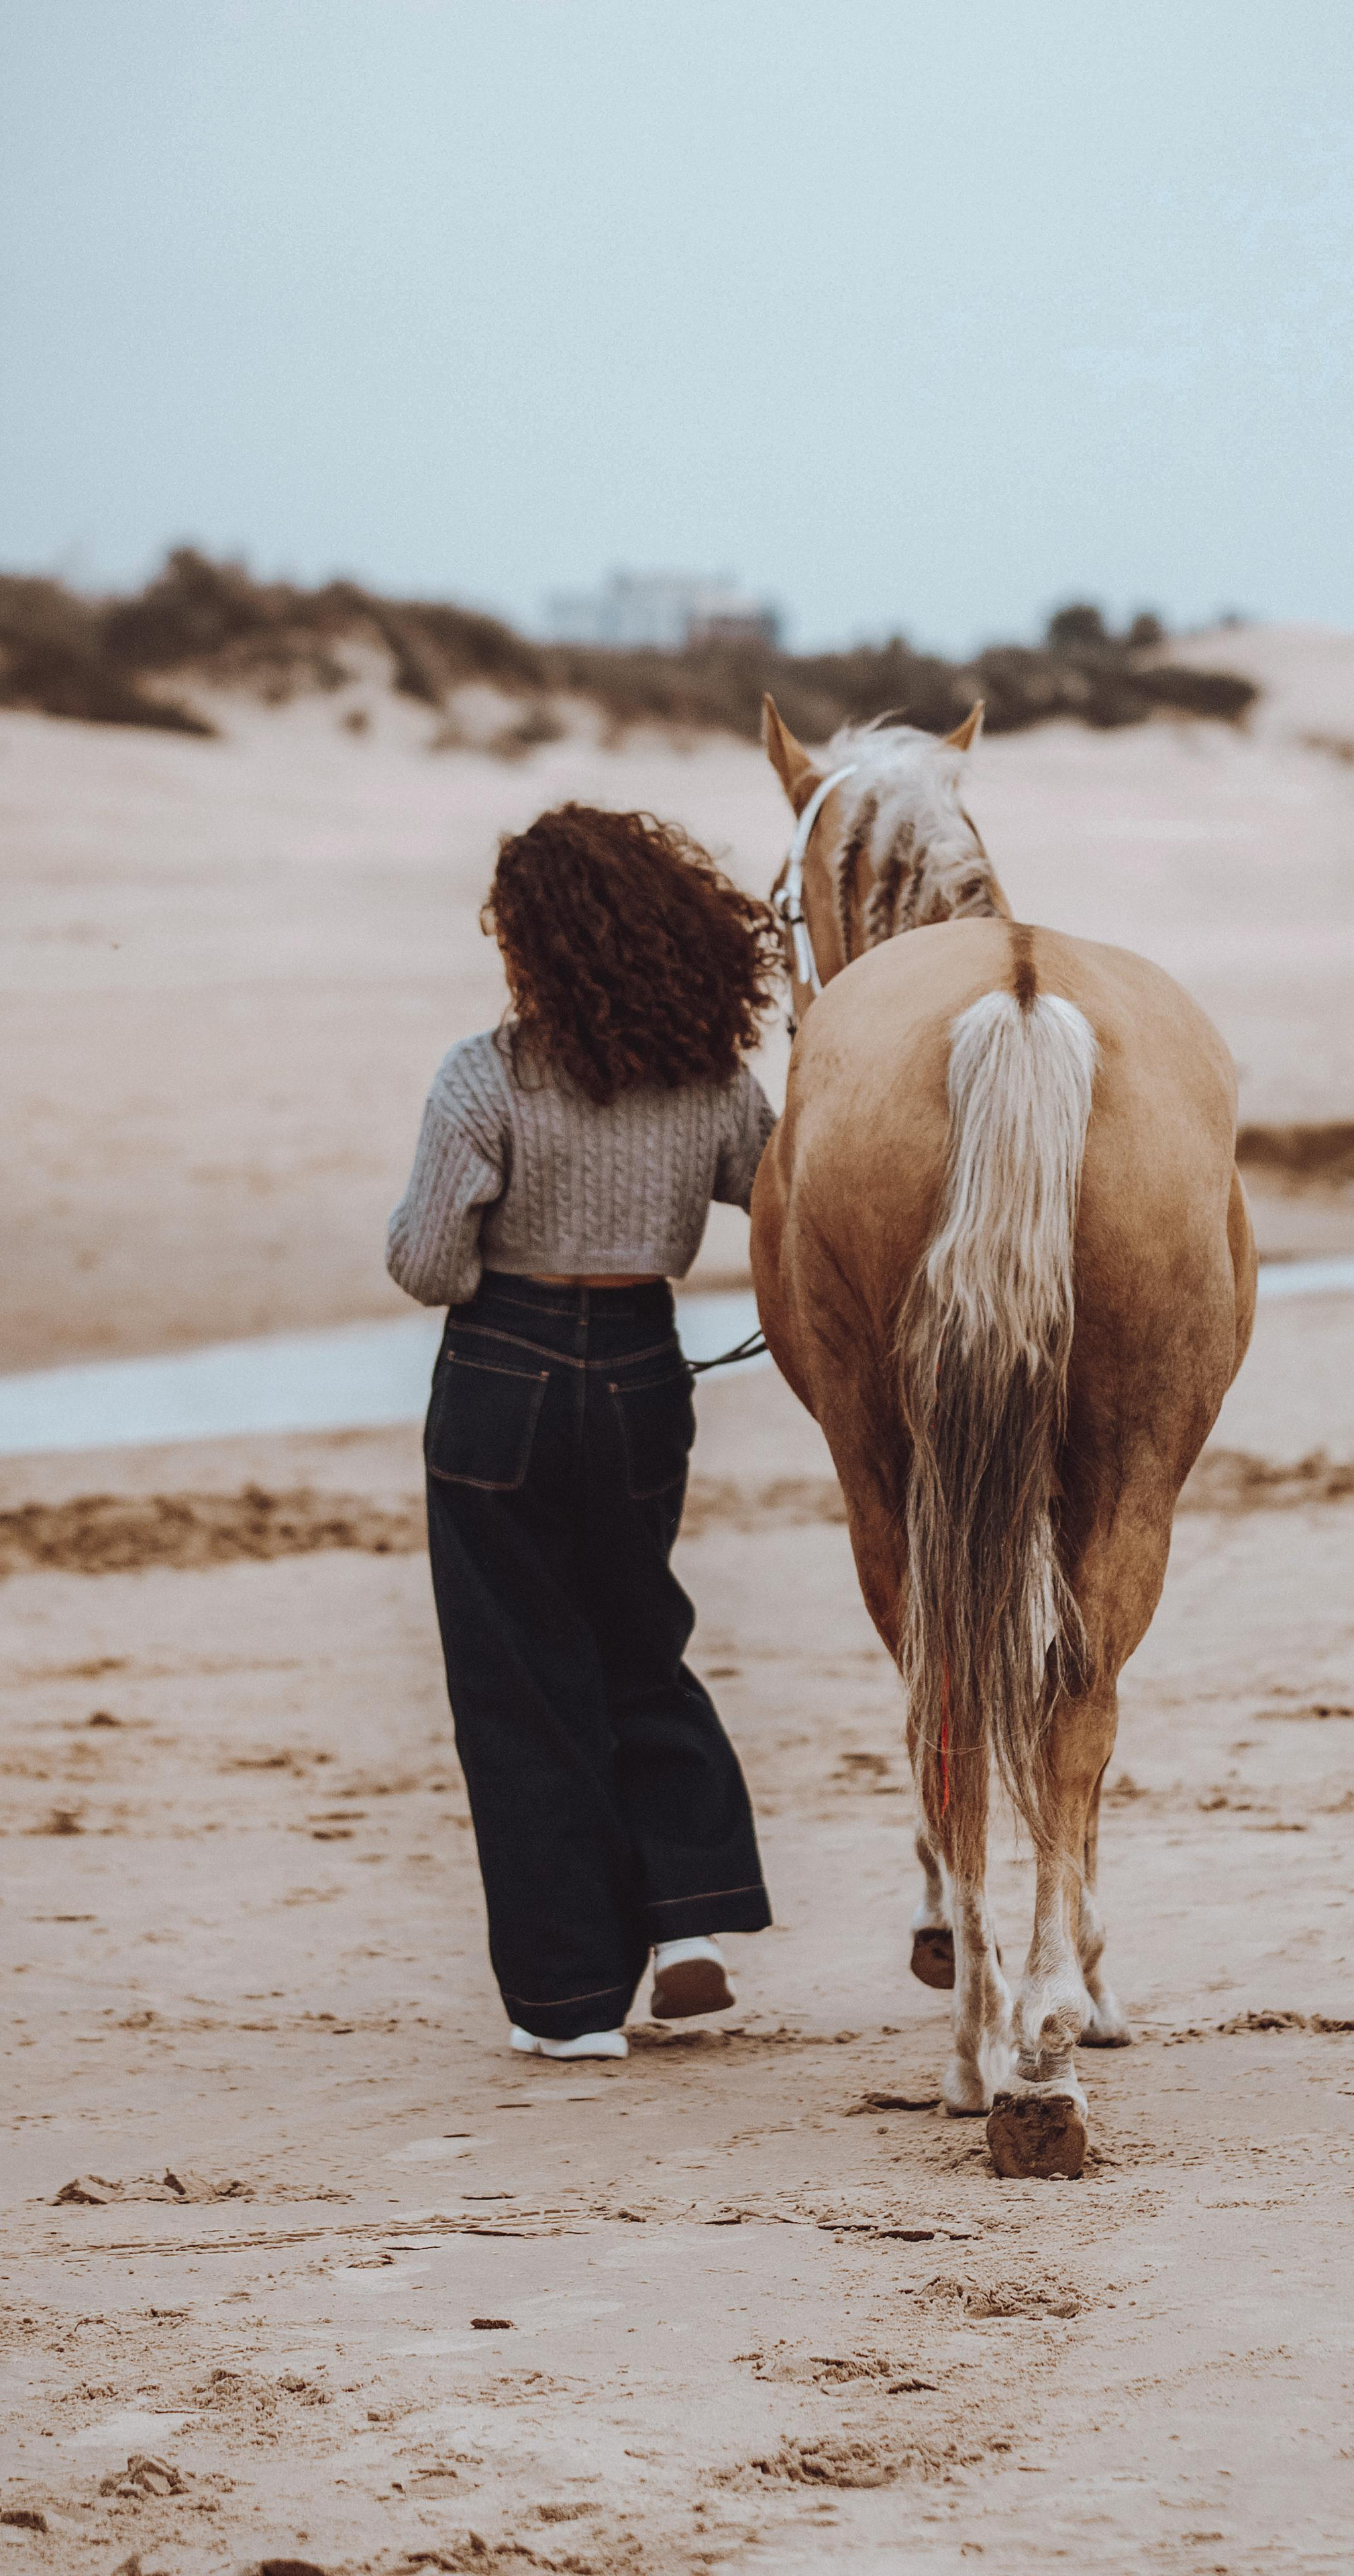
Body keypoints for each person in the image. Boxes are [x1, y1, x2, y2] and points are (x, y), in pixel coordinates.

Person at [386, 801, 779, 2062]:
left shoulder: (483, 1074)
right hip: (640, 1374)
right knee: (639, 1636)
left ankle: (567, 2008)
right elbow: (783, 1203)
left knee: (517, 1680)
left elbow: (430, 1268)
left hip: (502, 1374)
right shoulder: (712, 1080)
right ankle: (691, 1920)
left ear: (530, 944)